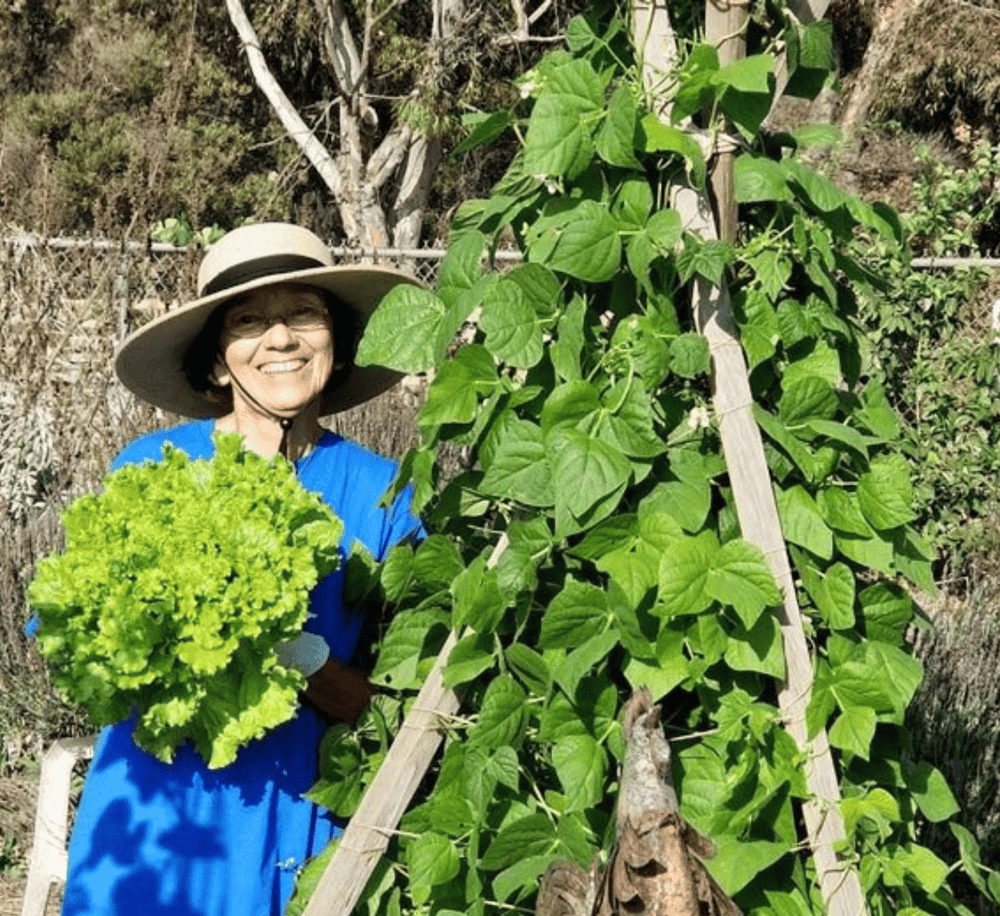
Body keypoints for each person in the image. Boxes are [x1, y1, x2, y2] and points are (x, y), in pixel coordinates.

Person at [58, 222, 425, 916]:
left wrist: (302, 658)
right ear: (219, 362)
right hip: (155, 823)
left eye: (304, 315)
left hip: (300, 817)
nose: (281, 339)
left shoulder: (386, 496)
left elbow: (398, 708)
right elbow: (87, 648)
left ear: (336, 345)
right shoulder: (152, 468)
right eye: (249, 321)